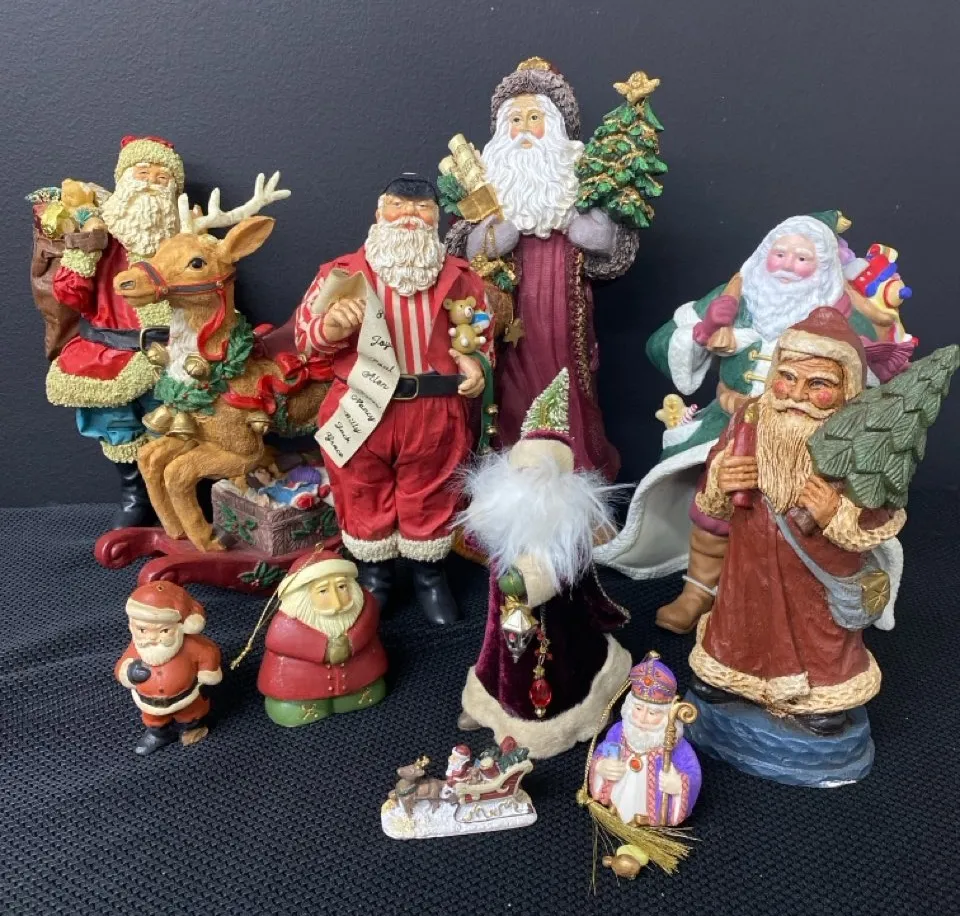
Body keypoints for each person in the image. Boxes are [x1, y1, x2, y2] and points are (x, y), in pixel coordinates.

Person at [594, 213, 904, 635]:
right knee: (715, 500)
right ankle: (699, 588)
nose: (788, 265)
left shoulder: (841, 312)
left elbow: (876, 377)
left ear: (823, 267)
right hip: (732, 421)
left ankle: (782, 598)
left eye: (802, 259)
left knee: (802, 516)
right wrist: (705, 328)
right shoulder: (738, 294)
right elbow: (659, 344)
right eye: (780, 254)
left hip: (807, 433)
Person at [688, 308, 906, 735]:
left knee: (816, 629)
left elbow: (880, 503)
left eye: (818, 384)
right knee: (743, 617)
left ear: (846, 387)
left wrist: (835, 512)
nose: (797, 393)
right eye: (787, 377)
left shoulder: (863, 436)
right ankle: (734, 675)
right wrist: (723, 476)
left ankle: (820, 694)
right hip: (750, 554)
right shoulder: (751, 416)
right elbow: (715, 486)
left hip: (817, 562)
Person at [295, 174, 489, 625]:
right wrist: (332, 327)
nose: (409, 217)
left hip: (434, 409)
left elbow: (481, 330)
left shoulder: (461, 278)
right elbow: (305, 339)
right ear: (379, 212)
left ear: (436, 218)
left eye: (422, 209)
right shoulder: (340, 274)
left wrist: (477, 364)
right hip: (362, 404)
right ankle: (375, 576)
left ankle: (429, 576)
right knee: (361, 487)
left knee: (432, 489)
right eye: (398, 206)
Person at [445, 58, 640, 480]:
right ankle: (511, 465)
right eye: (515, 120)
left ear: (554, 126)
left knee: (568, 380)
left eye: (534, 118)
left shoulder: (577, 181)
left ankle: (575, 464)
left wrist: (588, 231)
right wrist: (494, 238)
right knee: (509, 385)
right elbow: (465, 249)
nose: (524, 130)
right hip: (507, 312)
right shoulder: (489, 186)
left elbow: (612, 247)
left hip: (564, 307)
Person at [457, 369, 631, 759]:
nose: (529, 482)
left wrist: (531, 579)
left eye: (540, 473)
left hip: (550, 623)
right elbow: (475, 534)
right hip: (505, 615)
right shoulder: (502, 507)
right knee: (498, 657)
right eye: (522, 472)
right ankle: (488, 704)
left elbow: (558, 576)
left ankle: (549, 725)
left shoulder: (567, 526)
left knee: (544, 667)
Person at [46, 136, 186, 527]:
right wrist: (85, 250)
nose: (151, 183)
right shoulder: (102, 239)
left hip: (170, 354)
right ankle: (134, 495)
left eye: (161, 178)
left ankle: (174, 497)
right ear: (124, 180)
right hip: (109, 354)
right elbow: (69, 295)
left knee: (172, 424)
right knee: (117, 425)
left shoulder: (181, 240)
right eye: (143, 174)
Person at [257, 549, 387, 726]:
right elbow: (280, 640)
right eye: (323, 591)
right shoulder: (286, 622)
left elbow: (368, 623)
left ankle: (352, 697)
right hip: (300, 684)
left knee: (366, 690)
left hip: (359, 676)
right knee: (293, 707)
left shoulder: (365, 605)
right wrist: (324, 647)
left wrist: (350, 642)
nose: (337, 603)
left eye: (342, 587)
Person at [589, 652, 701, 827]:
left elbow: (692, 773)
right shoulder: (619, 732)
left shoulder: (676, 746)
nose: (642, 719)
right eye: (638, 709)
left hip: (651, 813)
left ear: (666, 716)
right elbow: (602, 751)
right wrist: (601, 766)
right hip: (616, 802)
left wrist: (679, 785)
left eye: (652, 713)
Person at [114, 581, 222, 755]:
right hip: (150, 702)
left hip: (187, 696)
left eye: (164, 631)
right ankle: (158, 734)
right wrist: (129, 672)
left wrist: (208, 671)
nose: (152, 638)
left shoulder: (191, 645)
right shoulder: (137, 648)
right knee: (154, 719)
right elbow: (121, 666)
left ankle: (192, 728)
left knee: (191, 715)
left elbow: (209, 651)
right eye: (142, 630)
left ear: (181, 626)